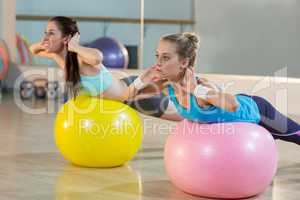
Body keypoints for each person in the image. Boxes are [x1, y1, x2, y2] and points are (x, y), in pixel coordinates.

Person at [135, 32, 300, 145]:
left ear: (184, 63)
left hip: (258, 111)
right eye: (157, 56)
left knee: (295, 136)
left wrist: (195, 90)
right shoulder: (167, 87)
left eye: (165, 57)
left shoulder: (201, 86)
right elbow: (133, 94)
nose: (158, 63)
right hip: (239, 126)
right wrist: (144, 79)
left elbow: (232, 104)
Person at [29, 16, 182, 121]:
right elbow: (32, 49)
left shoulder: (80, 58)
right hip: (124, 92)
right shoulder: (63, 59)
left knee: (187, 117)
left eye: (51, 33)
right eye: (45, 33)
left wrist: (74, 46)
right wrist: (45, 43)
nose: (46, 37)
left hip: (136, 94)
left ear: (66, 39)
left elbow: (98, 57)